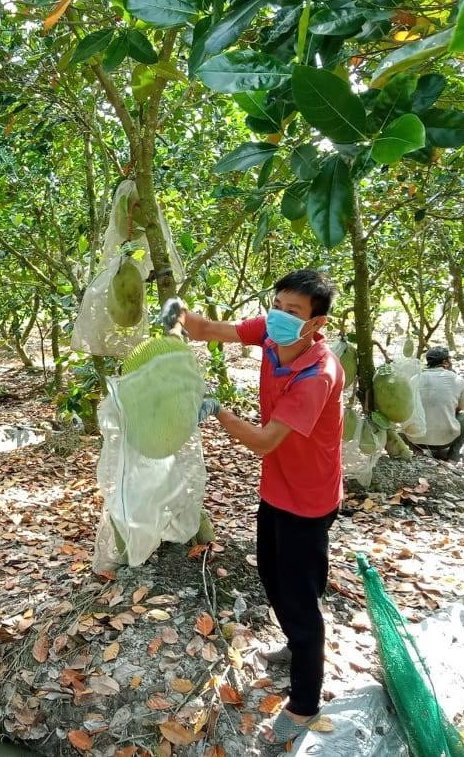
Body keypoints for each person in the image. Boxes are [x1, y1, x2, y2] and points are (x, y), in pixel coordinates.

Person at [162, 270, 344, 750]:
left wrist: (216, 410)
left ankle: (304, 703)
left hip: (309, 498)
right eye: (277, 305)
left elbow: (264, 442)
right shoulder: (269, 330)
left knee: (300, 597)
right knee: (270, 572)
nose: (279, 316)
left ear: (316, 323)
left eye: (293, 311)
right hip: (277, 487)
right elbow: (207, 329)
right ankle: (297, 645)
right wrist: (175, 311)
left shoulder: (317, 375)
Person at [403, 346, 464, 462]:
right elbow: (461, 408)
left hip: (415, 439)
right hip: (445, 441)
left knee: (402, 425)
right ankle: (453, 456)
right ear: (445, 362)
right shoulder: (457, 380)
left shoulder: (414, 379)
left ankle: (416, 451)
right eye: (449, 360)